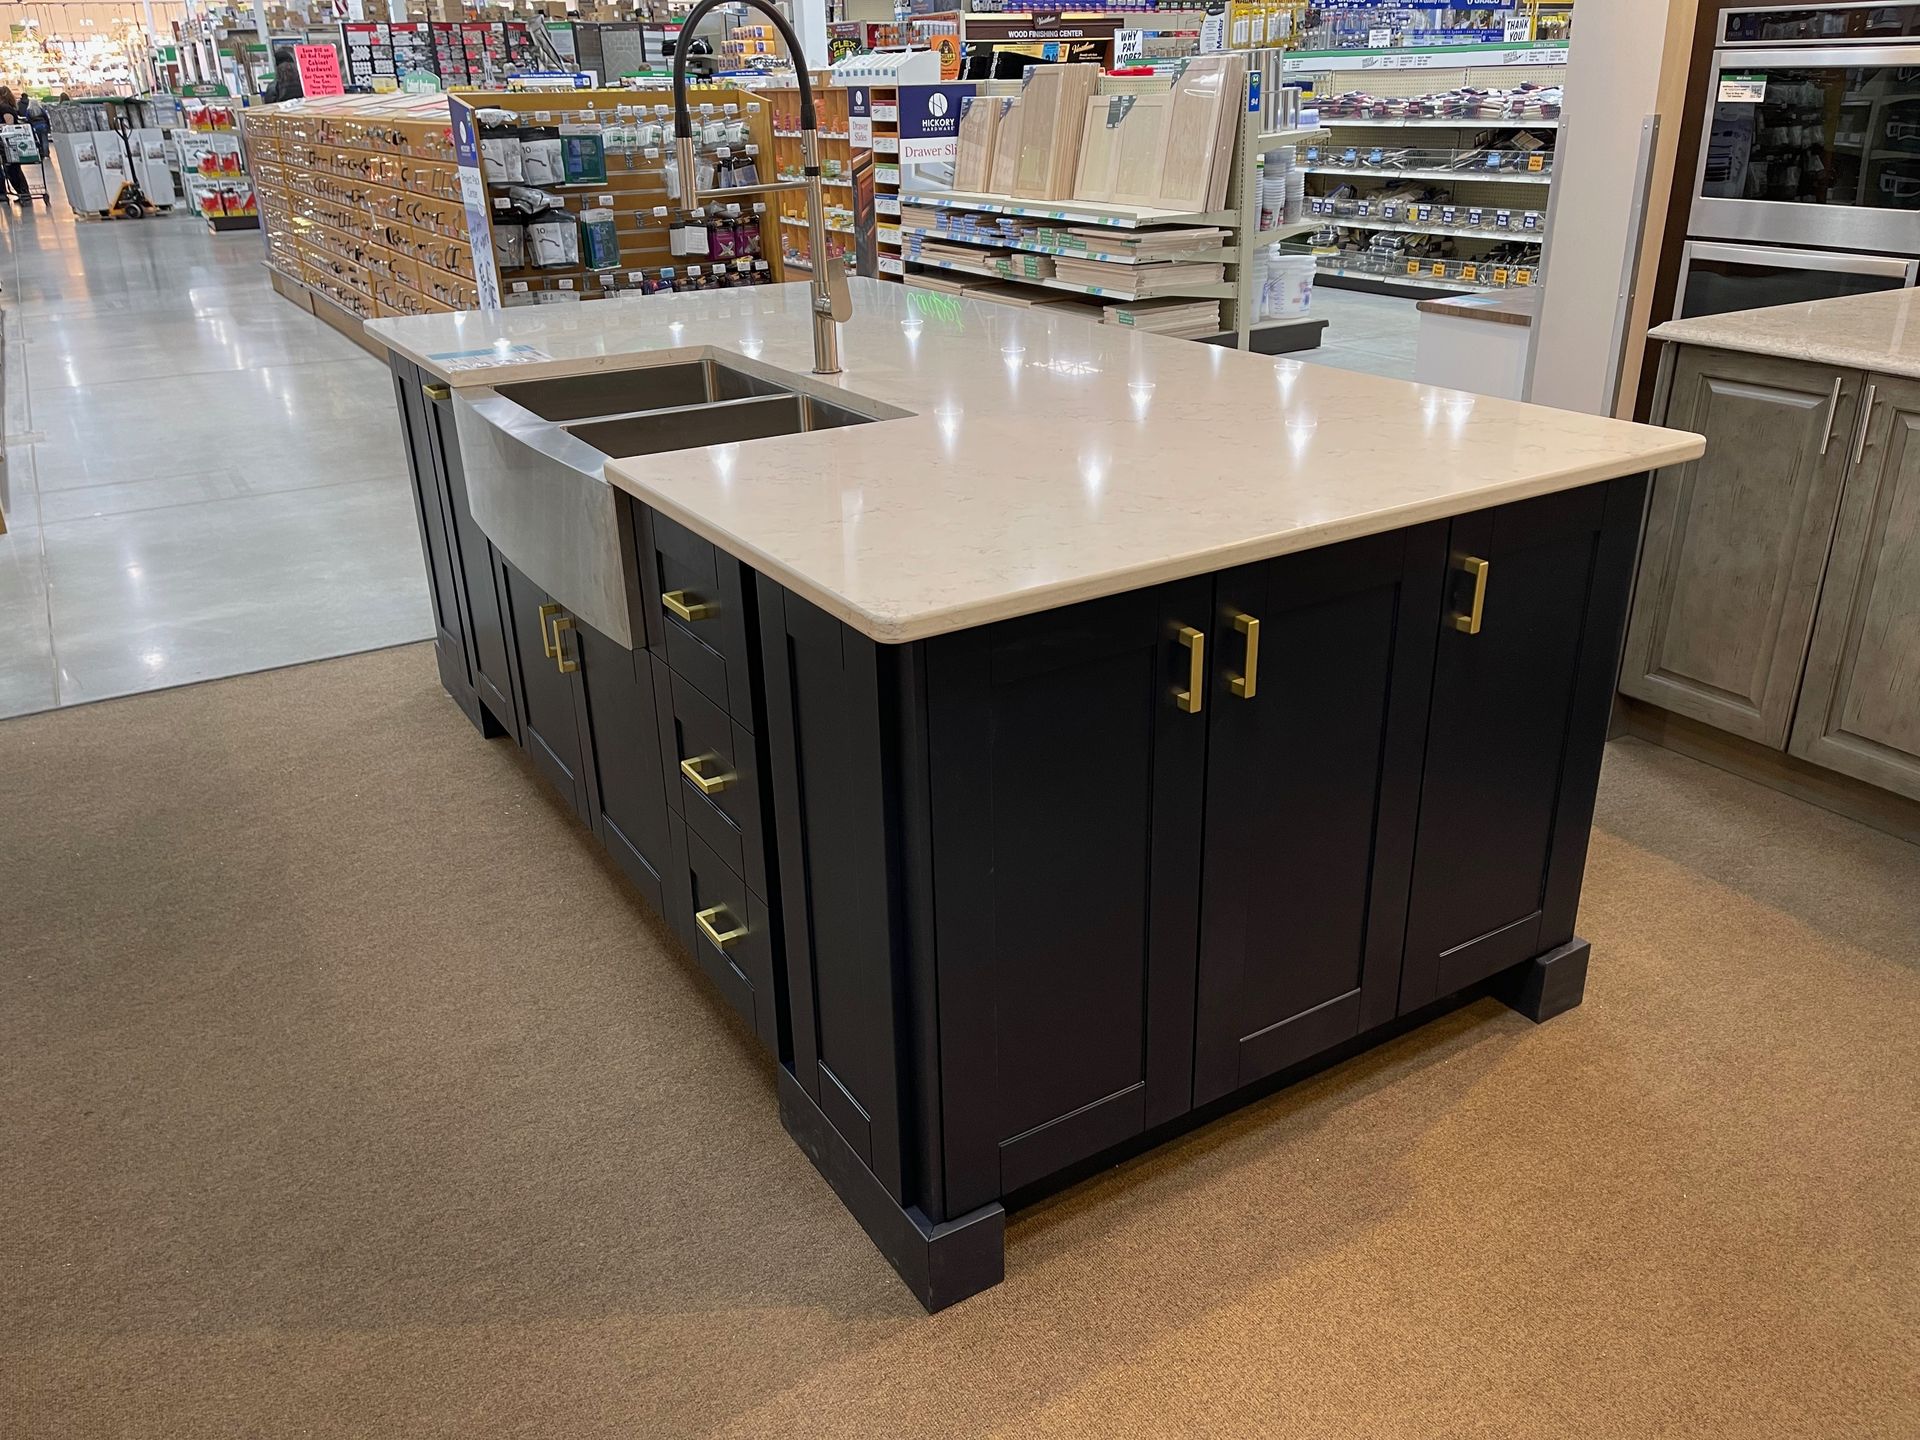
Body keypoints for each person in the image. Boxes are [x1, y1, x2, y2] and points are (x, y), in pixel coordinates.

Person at [0, 87, 33, 202]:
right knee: (12, 170)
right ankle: (23, 194)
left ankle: (24, 194)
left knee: (13, 170)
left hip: (8, 145)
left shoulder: (4, 108)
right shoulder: (8, 107)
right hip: (9, 144)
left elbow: (9, 125)